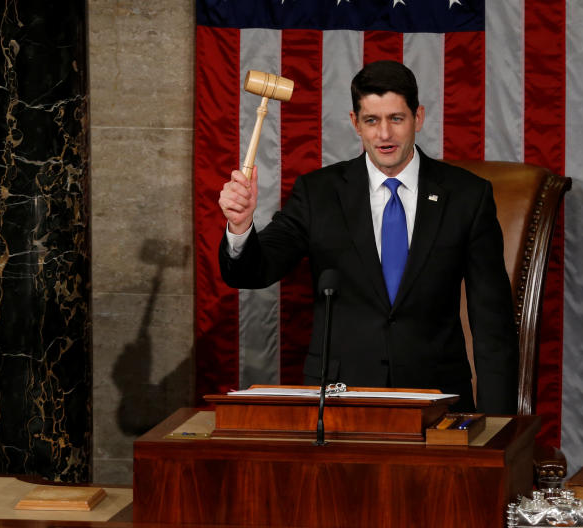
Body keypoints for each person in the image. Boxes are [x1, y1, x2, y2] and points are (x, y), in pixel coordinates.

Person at [217, 60, 517, 414]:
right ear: (355, 123)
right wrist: (240, 225)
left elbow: (492, 323)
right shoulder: (318, 193)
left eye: (396, 118)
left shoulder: (467, 196)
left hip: (437, 400)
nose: (384, 135)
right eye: (372, 121)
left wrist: (499, 426)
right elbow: (254, 271)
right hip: (341, 402)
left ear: (418, 118)